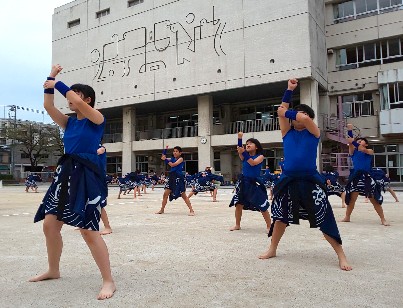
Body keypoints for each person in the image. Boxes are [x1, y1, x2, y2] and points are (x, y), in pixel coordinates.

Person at [30, 64, 116, 300]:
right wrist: (50, 78)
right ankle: (53, 269)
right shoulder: (69, 123)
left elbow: (78, 105)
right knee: (49, 225)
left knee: (89, 231)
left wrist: (58, 84)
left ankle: (108, 280)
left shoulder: (96, 119)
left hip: (87, 175)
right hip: (66, 173)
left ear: (87, 98)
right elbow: (48, 106)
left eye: (76, 93)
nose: (71, 98)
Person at [259, 79, 351, 271]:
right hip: (288, 181)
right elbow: (281, 112)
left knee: (324, 217)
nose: (298, 118)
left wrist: (289, 112)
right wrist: (289, 90)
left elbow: (305, 119)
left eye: (302, 115)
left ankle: (341, 254)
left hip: (310, 181)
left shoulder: (314, 133)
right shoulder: (287, 133)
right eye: (296, 116)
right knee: (280, 218)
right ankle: (273, 248)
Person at [341, 124, 389, 226]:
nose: (359, 141)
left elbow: (361, 148)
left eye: (361, 141)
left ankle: (383, 219)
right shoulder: (353, 152)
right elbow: (351, 143)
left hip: (367, 176)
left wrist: (353, 141)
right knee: (352, 199)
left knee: (374, 199)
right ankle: (347, 217)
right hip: (356, 176)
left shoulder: (369, 151)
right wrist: (350, 130)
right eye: (358, 141)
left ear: (366, 144)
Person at [229, 132, 271, 232]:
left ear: (256, 147)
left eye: (250, 143)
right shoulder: (244, 156)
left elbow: (252, 163)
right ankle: (237, 225)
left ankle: (269, 226)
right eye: (247, 143)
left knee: (262, 205)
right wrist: (239, 139)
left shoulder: (260, 156)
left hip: (254, 183)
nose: (248, 145)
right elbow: (240, 149)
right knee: (238, 204)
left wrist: (243, 152)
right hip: (244, 182)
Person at [155, 146, 195, 215]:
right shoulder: (172, 158)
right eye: (174, 151)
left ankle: (191, 210)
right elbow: (163, 157)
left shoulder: (181, 159)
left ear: (180, 153)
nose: (175, 152)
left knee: (183, 195)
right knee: (165, 194)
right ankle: (162, 209)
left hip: (178, 178)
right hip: (172, 177)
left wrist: (166, 160)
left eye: (176, 151)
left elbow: (173, 165)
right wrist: (165, 152)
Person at [97, 145, 113, 235]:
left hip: (98, 178)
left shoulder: (101, 147)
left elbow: (97, 152)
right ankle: (83, 224)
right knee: (84, 201)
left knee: (99, 203)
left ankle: (107, 227)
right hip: (89, 176)